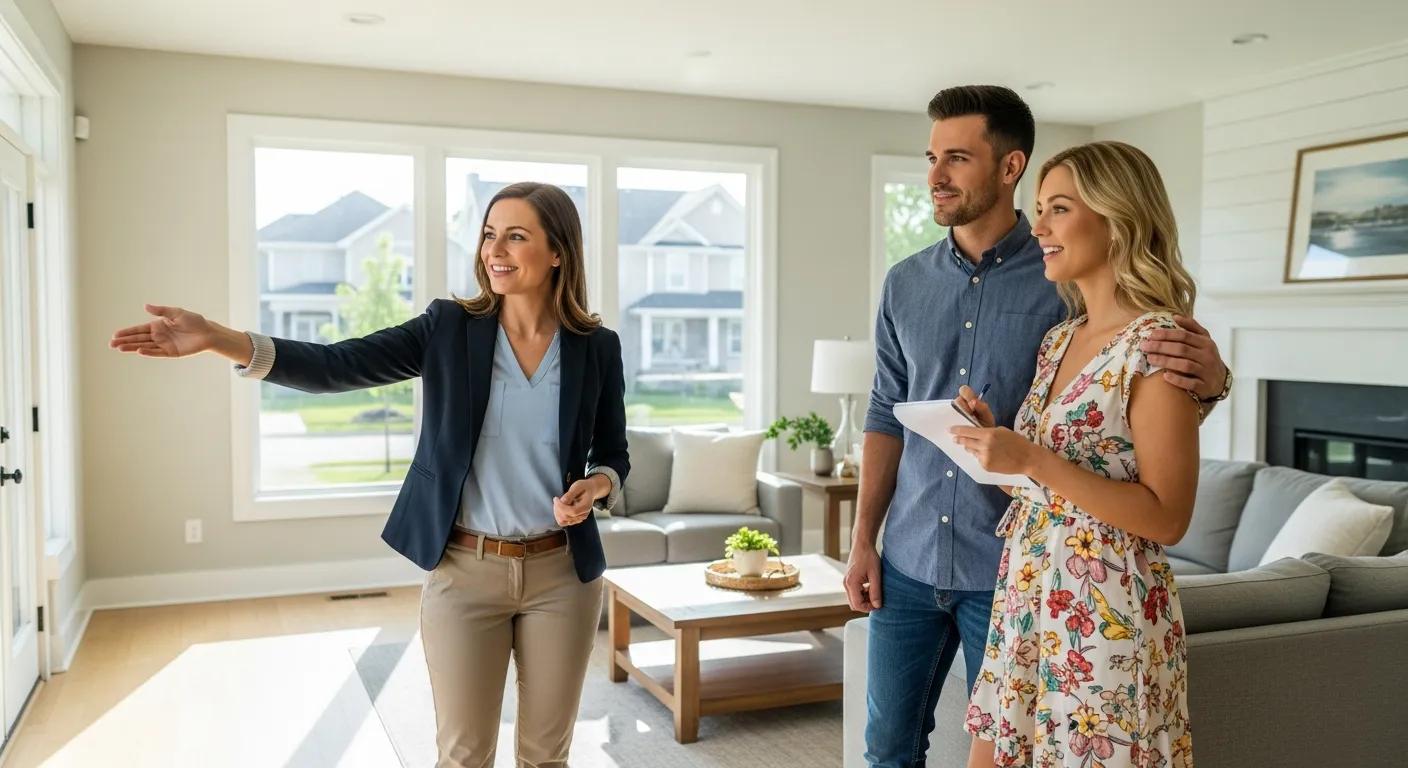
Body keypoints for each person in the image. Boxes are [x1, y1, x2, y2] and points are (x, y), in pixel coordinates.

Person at [109, 182, 629, 768]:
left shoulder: (596, 347)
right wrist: (218, 339)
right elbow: (337, 365)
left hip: (564, 574)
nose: (494, 250)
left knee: (547, 755)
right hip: (464, 573)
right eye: (488, 234)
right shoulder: (448, 328)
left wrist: (598, 484)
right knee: (463, 755)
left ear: (558, 251)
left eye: (515, 235)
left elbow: (613, 451)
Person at [845, 86, 1230, 768]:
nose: (934, 176)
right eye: (931, 157)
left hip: (1042, 582)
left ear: (1008, 165)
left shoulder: (1074, 294)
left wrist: (1216, 380)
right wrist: (863, 540)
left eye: (956, 158)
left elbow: (1138, 440)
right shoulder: (914, 286)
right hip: (951, 563)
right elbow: (887, 410)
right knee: (890, 747)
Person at [953, 140, 1198, 767]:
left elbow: (1167, 517)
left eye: (1058, 209)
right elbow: (1050, 489)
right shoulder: (1061, 338)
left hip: (1105, 612)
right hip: (1028, 592)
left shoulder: (1157, 344)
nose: (1037, 227)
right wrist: (999, 452)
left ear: (1117, 219)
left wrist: (1034, 460)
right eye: (1040, 208)